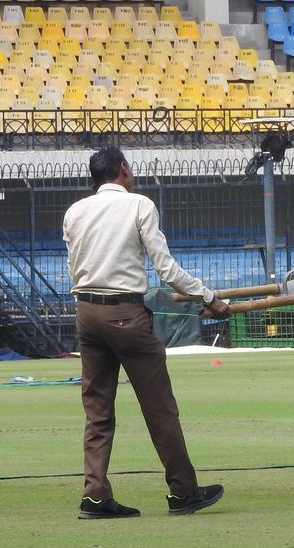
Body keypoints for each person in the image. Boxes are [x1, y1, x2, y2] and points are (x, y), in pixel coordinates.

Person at [63, 146, 232, 519]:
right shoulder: (139, 205)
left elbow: (74, 265)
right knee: (159, 409)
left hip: (86, 313)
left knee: (97, 411)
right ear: (123, 169)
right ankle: (184, 491)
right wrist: (209, 297)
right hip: (125, 314)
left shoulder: (74, 211)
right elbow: (166, 270)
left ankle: (94, 495)